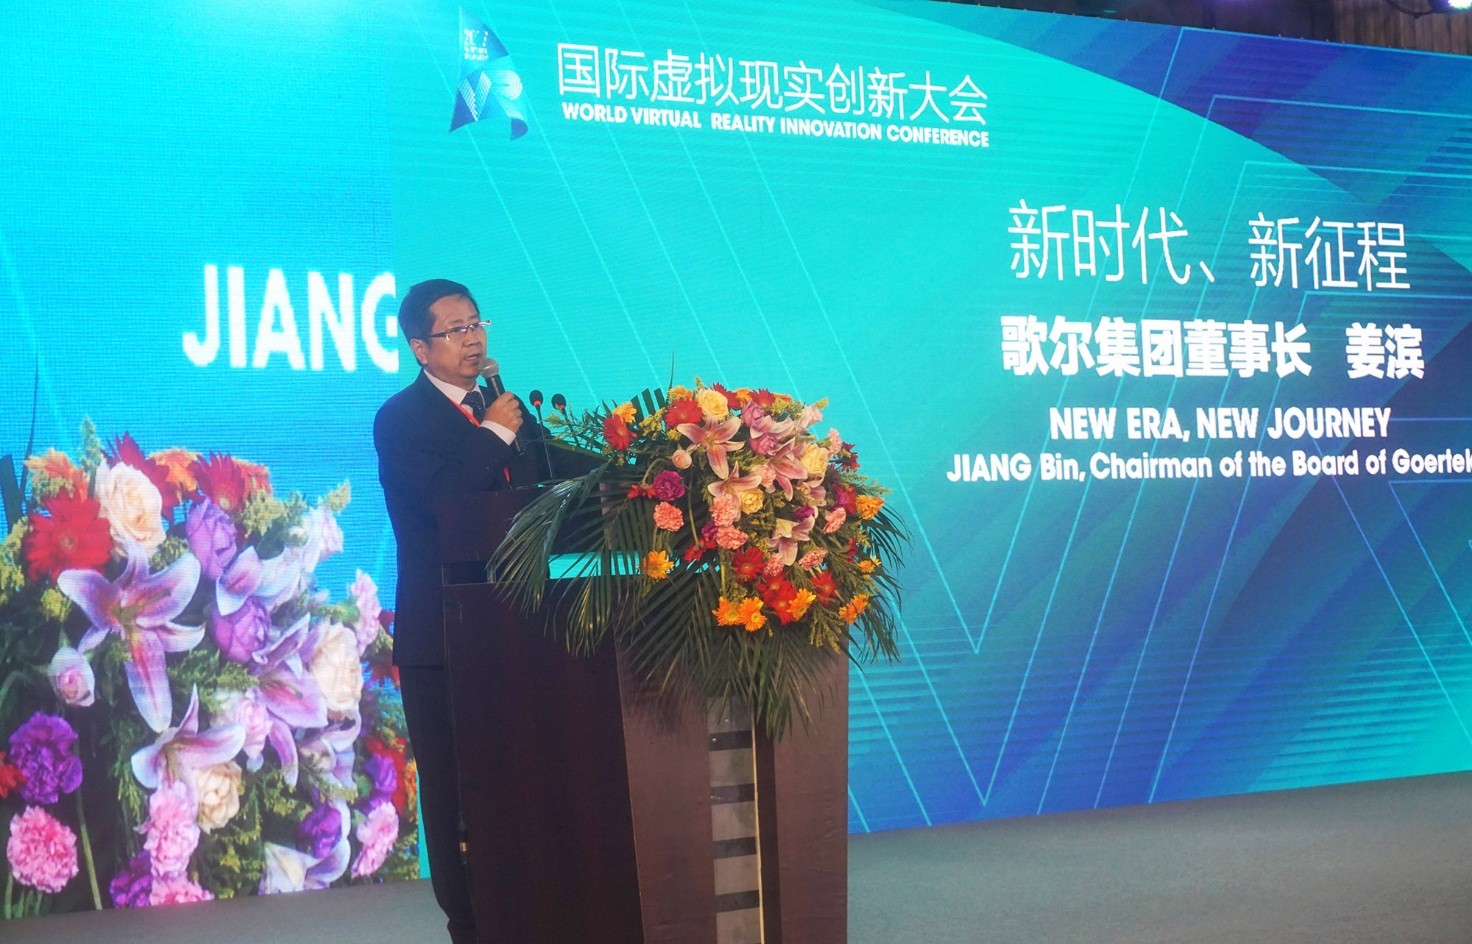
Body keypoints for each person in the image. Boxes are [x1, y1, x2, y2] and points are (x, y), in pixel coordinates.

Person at [373, 278, 538, 944]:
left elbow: (544, 486)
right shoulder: (401, 419)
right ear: (420, 347)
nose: (472, 338)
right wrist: (495, 432)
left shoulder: (503, 409)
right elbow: (442, 499)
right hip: (442, 632)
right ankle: (468, 925)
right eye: (455, 329)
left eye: (476, 323)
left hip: (516, 624)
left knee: (519, 780)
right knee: (454, 792)